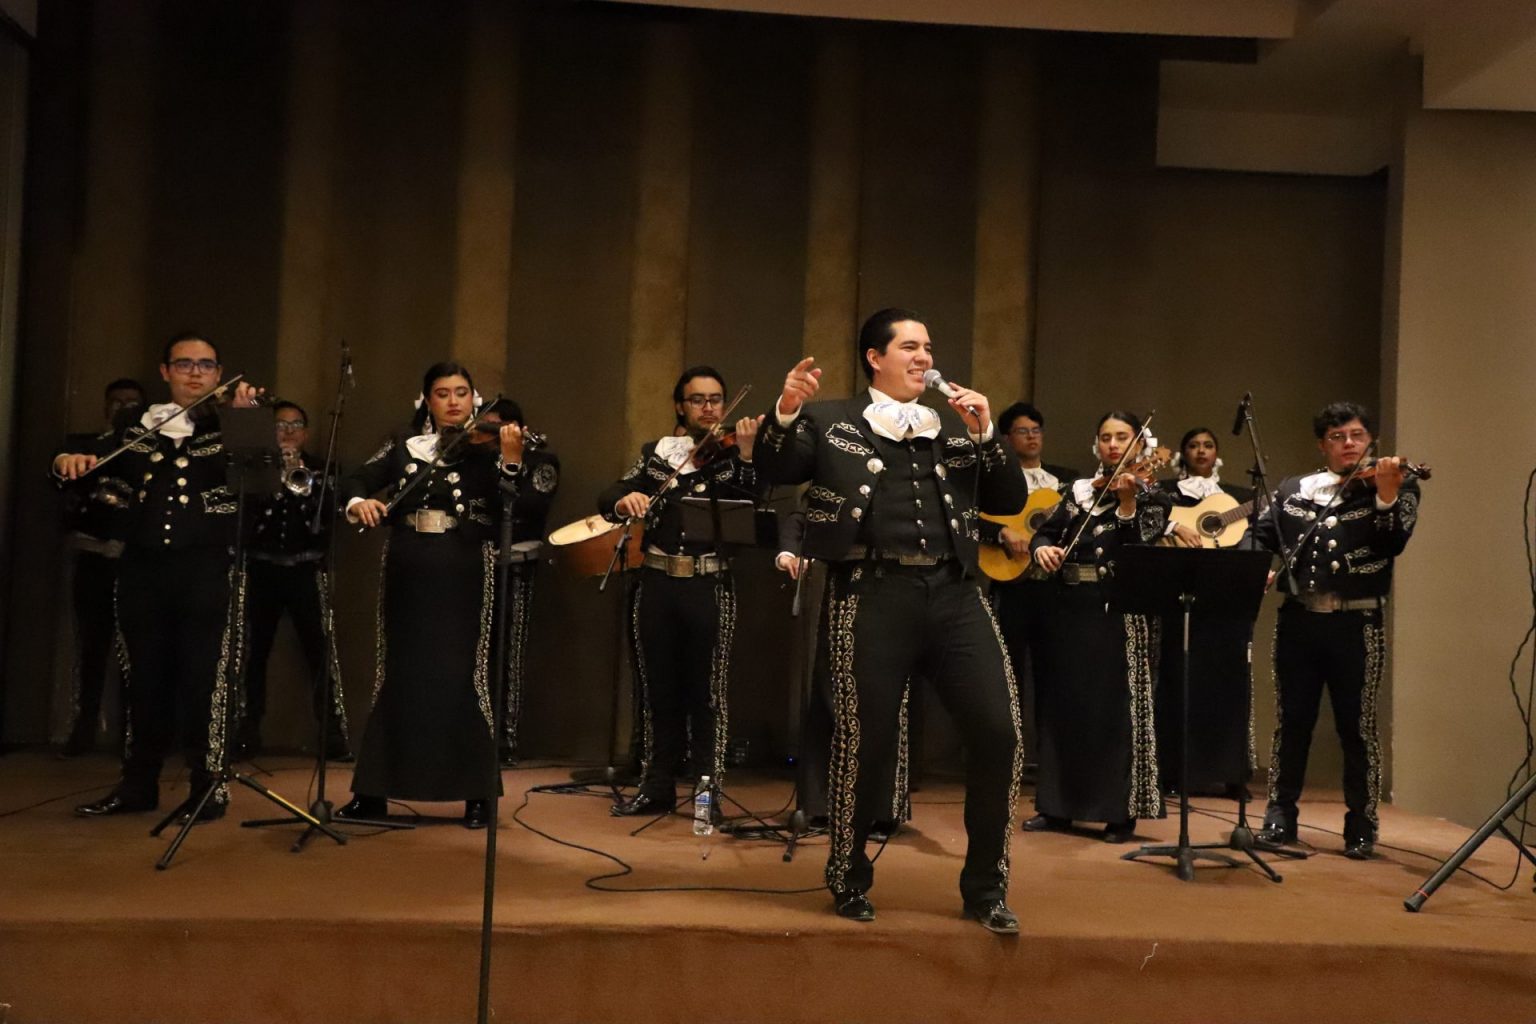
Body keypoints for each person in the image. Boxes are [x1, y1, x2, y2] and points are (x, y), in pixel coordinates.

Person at [754, 308, 1026, 932]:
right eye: (909, 347)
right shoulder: (830, 420)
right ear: (875, 358)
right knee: (866, 741)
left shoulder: (953, 425)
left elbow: (1009, 499)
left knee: (999, 732)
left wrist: (987, 435)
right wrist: (786, 411)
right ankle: (848, 876)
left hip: (955, 594)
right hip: (871, 592)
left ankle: (986, 888)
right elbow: (776, 470)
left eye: (928, 346)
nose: (924, 357)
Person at [57, 334, 263, 821]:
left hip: (208, 571)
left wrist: (246, 421)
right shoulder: (137, 426)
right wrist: (66, 461)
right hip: (142, 570)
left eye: (206, 365)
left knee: (204, 680)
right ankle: (137, 785)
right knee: (143, 680)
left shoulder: (231, 424)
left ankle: (208, 787)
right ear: (166, 371)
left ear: (219, 374)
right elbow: (89, 463)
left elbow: (260, 487)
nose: (195, 373)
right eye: (184, 364)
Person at [337, 363, 528, 829]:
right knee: (396, 671)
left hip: (464, 565)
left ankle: (478, 795)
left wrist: (511, 460)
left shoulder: (486, 447)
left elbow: (516, 503)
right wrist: (359, 502)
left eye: (461, 392)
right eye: (442, 393)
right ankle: (372, 793)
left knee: (464, 673)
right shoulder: (404, 444)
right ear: (427, 400)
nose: (453, 401)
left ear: (474, 399)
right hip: (407, 564)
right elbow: (356, 479)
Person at [1251, 402, 1420, 860]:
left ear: (1371, 441)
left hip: (1357, 624)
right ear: (1322, 445)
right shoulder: (1294, 490)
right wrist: (1256, 567)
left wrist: (1385, 497)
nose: (1349, 444)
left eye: (1357, 435)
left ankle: (1361, 824)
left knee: (1357, 727)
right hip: (1299, 621)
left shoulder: (1397, 484)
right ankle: (1279, 815)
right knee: (1292, 722)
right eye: (1337, 437)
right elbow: (1260, 535)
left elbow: (1392, 543)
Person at [598, 366, 760, 817]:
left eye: (716, 400)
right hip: (656, 582)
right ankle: (657, 787)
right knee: (657, 690)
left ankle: (707, 797)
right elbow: (611, 493)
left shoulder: (734, 456)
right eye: (698, 400)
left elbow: (754, 503)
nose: (708, 408)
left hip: (709, 583)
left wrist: (748, 457)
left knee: (708, 694)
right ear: (679, 406)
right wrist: (623, 501)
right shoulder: (657, 456)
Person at [1026, 411, 1172, 843]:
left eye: (1122, 437)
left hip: (1117, 612)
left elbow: (1137, 550)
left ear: (1140, 445)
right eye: (1106, 437)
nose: (1113, 445)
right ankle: (1057, 808)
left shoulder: (1153, 496)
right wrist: (1041, 550)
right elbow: (1045, 532)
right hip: (1069, 609)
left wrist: (1126, 505)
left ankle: (1117, 813)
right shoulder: (1076, 492)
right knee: (1063, 706)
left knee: (1113, 712)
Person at [238, 401, 351, 762]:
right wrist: (275, 479)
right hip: (261, 570)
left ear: (306, 432)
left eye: (295, 425)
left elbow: (330, 517)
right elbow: (248, 520)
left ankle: (333, 733)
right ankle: (246, 730)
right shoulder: (254, 471)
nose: (288, 432)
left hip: (306, 569)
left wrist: (301, 481)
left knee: (320, 650)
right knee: (252, 652)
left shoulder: (323, 468)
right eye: (280, 425)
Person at [1154, 427, 1257, 796]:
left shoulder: (1240, 498)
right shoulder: (1166, 494)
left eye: (1208, 445)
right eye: (1194, 445)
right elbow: (1148, 527)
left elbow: (1253, 540)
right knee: (1177, 683)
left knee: (1228, 686)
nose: (1201, 451)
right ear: (1183, 453)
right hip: (1179, 599)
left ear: (1217, 453)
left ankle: (1231, 773)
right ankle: (1174, 771)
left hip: (1224, 604)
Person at [986, 401, 1078, 773]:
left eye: (1036, 430)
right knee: (1008, 673)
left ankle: (1052, 761)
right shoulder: (996, 480)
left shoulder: (1065, 482)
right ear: (1007, 438)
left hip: (1053, 589)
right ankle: (1008, 758)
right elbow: (972, 520)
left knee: (1054, 674)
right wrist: (1002, 532)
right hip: (1012, 586)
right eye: (1022, 431)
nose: (1031, 437)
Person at [57, 378, 144, 757]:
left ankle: (133, 734)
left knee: (137, 651)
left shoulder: (148, 451)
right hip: (93, 558)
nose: (124, 408)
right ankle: (83, 728)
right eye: (117, 402)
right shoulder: (86, 445)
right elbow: (65, 483)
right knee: (91, 647)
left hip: (136, 564)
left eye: (132, 403)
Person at [490, 400, 560, 766]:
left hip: (517, 564)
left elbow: (530, 506)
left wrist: (511, 459)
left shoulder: (541, 461)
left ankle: (506, 739)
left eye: (496, 427)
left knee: (510, 652)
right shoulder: (476, 460)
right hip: (478, 564)